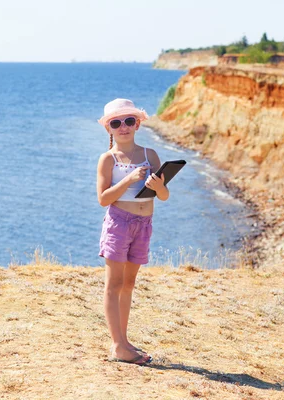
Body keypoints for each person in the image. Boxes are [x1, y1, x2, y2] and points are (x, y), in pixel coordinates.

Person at [96, 98, 169, 366]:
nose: (123, 127)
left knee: (128, 284)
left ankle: (124, 341)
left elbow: (163, 195)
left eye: (129, 121)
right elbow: (103, 199)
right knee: (113, 284)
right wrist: (129, 179)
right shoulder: (108, 159)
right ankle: (118, 346)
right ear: (109, 129)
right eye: (116, 123)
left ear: (137, 123)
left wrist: (157, 185)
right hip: (119, 223)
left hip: (144, 224)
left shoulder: (151, 155)